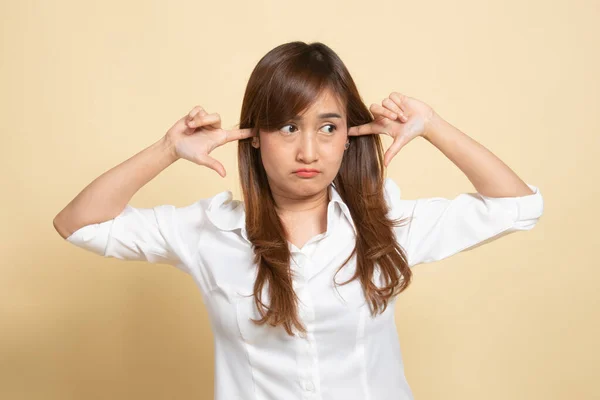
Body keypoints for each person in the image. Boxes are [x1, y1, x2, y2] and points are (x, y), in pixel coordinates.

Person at [53, 41, 544, 400]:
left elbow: (518, 206)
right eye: (288, 127)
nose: (308, 150)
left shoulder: (383, 223)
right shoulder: (209, 231)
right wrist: (166, 150)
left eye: (327, 128)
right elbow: (79, 224)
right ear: (254, 136)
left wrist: (432, 125)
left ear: (348, 137)